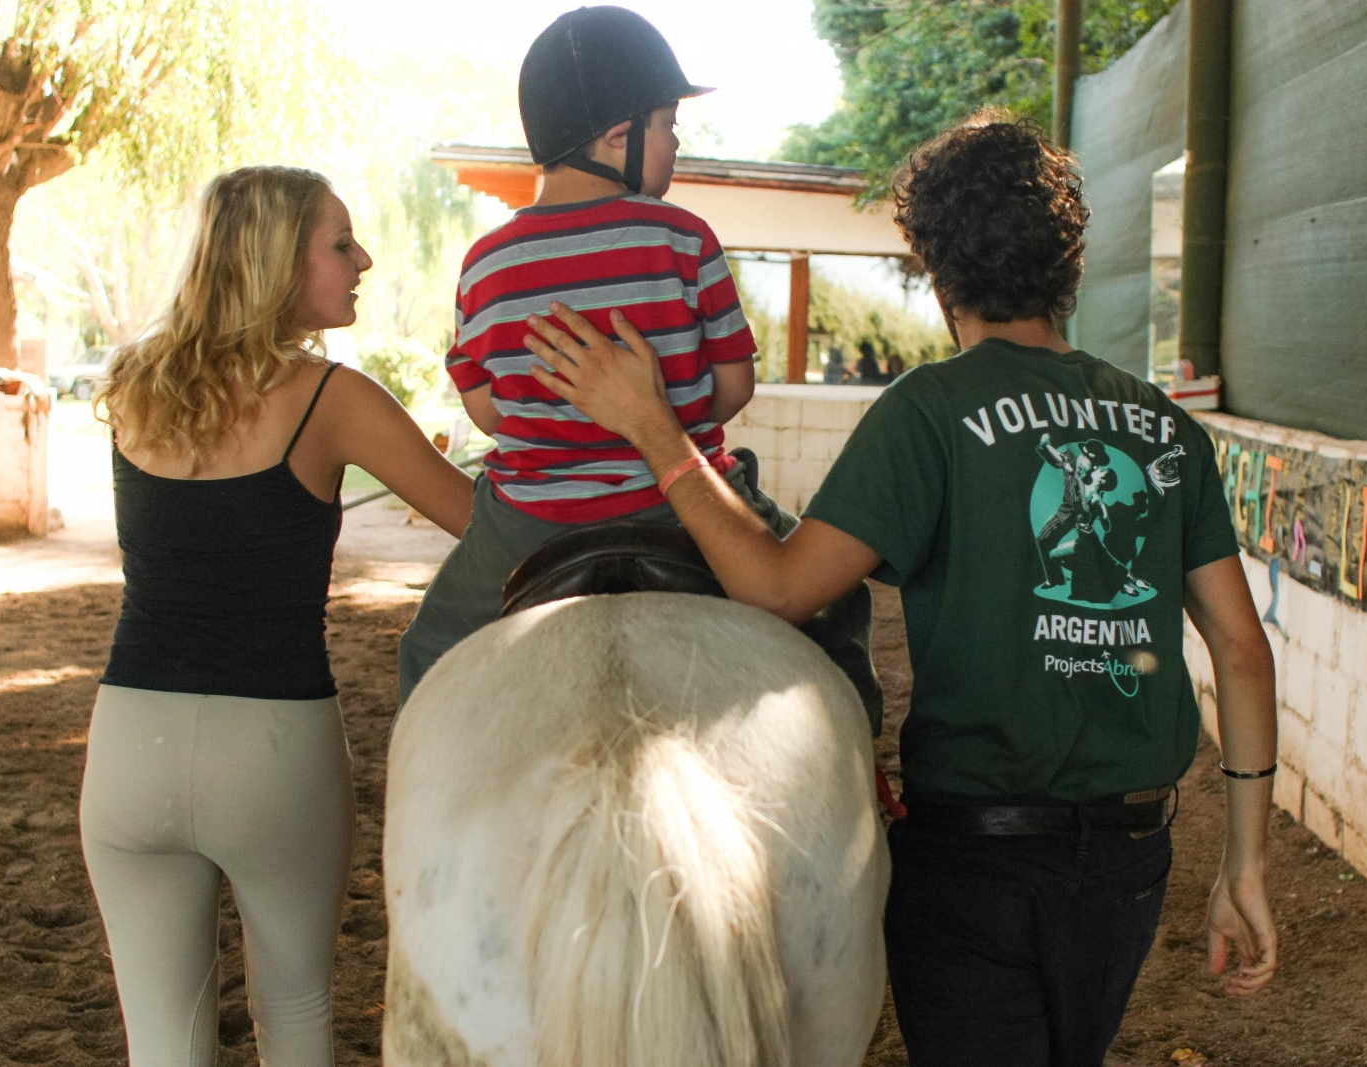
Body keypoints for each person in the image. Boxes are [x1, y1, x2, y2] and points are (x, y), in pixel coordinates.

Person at [520, 112, 1279, 1067]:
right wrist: (1245, 863)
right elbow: (1243, 652)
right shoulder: (1166, 428)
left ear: (935, 267)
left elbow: (781, 591)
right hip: (1130, 859)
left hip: (973, 860)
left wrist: (656, 431)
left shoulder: (928, 413)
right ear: (1069, 260)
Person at [80, 166, 475, 1066]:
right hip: (272, 748)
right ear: (276, 265)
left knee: (164, 1042)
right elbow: (481, 527)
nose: (362, 258)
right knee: (295, 1016)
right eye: (340, 244)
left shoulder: (135, 384)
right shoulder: (332, 398)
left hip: (128, 741)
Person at [395, 5, 879, 726]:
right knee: (837, 600)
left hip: (532, 523)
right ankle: (861, 755)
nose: (677, 143)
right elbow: (735, 386)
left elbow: (490, 413)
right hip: (683, 510)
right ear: (619, 134)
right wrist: (674, 414)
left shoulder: (485, 264)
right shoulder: (684, 239)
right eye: (670, 124)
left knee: (425, 654)